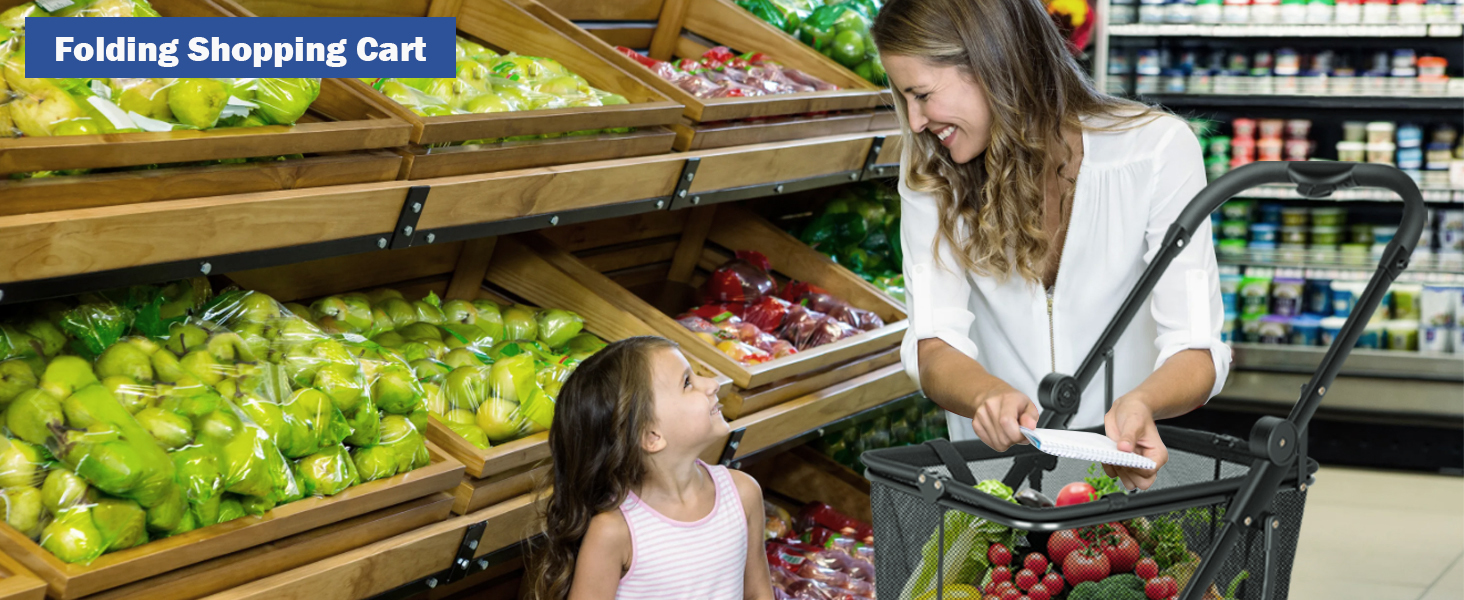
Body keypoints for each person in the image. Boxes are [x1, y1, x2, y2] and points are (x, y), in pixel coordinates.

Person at [871, 0, 1232, 491]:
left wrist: (1142, 402)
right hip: (991, 484)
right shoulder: (934, 176)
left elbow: (1197, 346)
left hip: (1122, 481)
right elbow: (933, 341)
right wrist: (987, 395)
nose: (915, 122)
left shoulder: (1157, 151)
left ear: (992, 64)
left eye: (922, 94)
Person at [527, 336, 775, 600]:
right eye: (687, 383)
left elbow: (759, 593)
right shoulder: (614, 532)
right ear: (651, 436)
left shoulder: (742, 494)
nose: (713, 385)